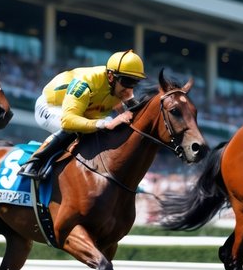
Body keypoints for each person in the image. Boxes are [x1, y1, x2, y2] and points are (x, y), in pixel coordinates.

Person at [18, 49, 147, 179]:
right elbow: (68, 121)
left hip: (85, 111)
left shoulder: (119, 87)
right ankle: (34, 163)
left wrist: (130, 105)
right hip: (52, 107)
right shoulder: (85, 83)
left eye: (134, 82)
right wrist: (105, 124)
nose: (129, 88)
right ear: (110, 76)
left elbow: (126, 113)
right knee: (75, 130)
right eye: (127, 81)